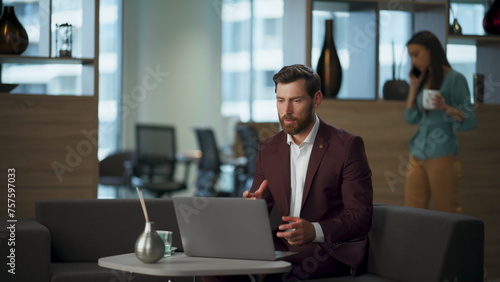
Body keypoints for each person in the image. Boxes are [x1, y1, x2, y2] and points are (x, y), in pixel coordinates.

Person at [234, 64, 372, 281]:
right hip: (283, 244)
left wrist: (314, 230)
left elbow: (360, 218)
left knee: (278, 271)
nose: (286, 110)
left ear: (316, 100)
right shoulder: (268, 148)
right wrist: (254, 208)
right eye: (280, 100)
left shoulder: (347, 146)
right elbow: (260, 204)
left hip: (328, 249)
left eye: (296, 100)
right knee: (219, 265)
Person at [404, 31, 476, 213]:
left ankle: (454, 242)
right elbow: (410, 117)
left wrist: (446, 108)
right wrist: (413, 87)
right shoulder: (423, 79)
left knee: (447, 208)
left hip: (443, 151)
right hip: (418, 151)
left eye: (416, 54)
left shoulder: (455, 79)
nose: (413, 61)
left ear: (431, 51)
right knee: (412, 209)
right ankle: (416, 243)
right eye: (411, 56)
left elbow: (470, 120)